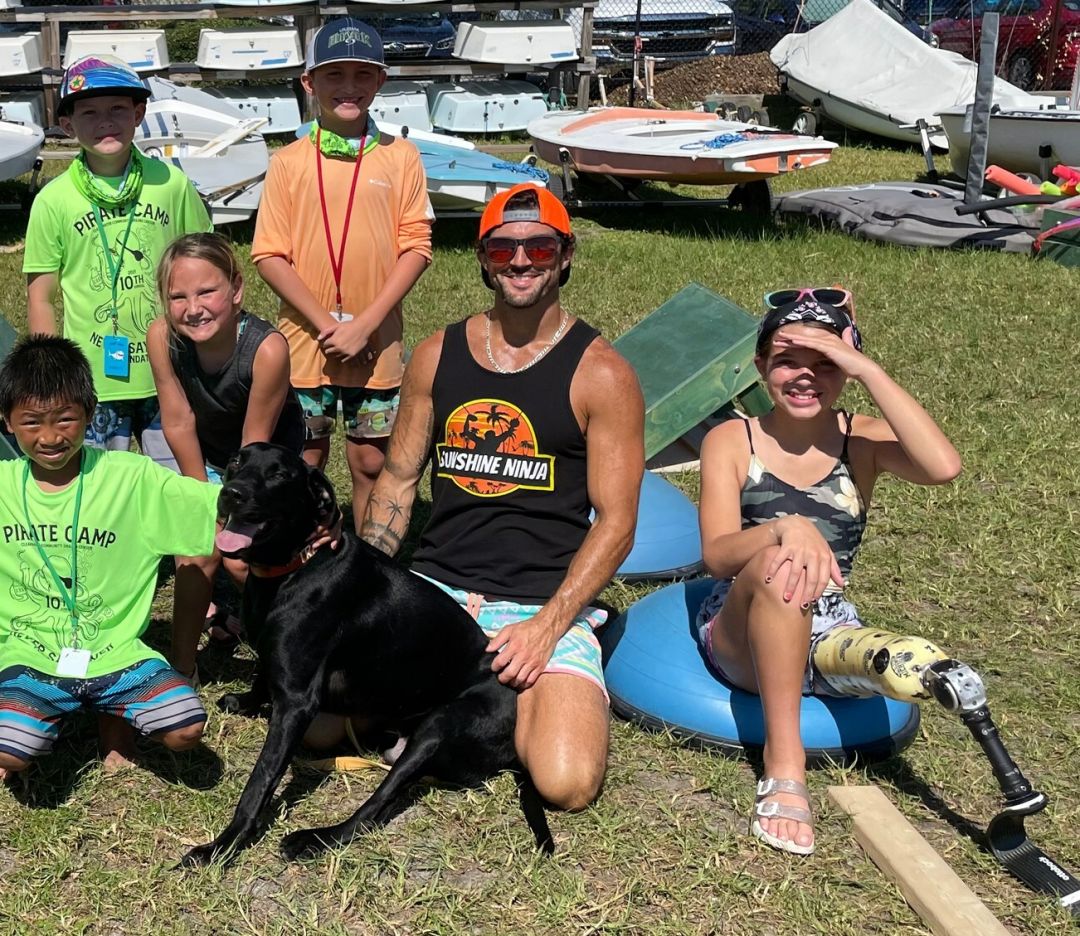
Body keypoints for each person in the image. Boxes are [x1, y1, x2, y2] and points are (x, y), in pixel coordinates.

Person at [358, 183, 645, 810]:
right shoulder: (437, 354)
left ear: (565, 256)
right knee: (323, 729)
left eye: (539, 249)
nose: (520, 262)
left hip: (541, 600)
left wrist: (548, 626)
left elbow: (618, 522)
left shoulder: (603, 373)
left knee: (566, 784)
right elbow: (399, 482)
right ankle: (478, 707)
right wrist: (364, 589)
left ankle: (480, 706)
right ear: (484, 259)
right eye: (503, 248)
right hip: (438, 587)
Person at [696, 289, 962, 855]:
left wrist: (868, 368)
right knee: (777, 566)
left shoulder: (859, 439)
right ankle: (785, 764)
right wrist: (782, 526)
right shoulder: (733, 439)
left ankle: (864, 660)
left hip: (828, 619)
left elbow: (943, 468)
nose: (805, 377)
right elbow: (718, 555)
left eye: (826, 364)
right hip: (740, 621)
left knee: (898, 658)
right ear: (761, 364)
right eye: (788, 360)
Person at [0, 336, 221, 779]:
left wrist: (300, 512)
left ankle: (111, 717)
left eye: (65, 419)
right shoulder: (4, 484)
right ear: (6, 422)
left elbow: (214, 510)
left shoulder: (131, 477)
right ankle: (38, 714)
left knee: (186, 728)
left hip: (115, 651)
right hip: (29, 651)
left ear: (91, 411)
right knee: (11, 750)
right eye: (31, 423)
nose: (50, 437)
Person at [252, 17, 433, 528]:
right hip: (305, 343)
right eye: (334, 75)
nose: (348, 87)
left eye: (361, 74)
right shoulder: (287, 162)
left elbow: (416, 247)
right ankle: (307, 557)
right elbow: (269, 254)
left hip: (376, 343)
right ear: (309, 84)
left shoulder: (403, 158)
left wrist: (364, 324)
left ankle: (367, 562)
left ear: (380, 81)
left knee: (371, 460)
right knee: (303, 460)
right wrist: (329, 325)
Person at [23, 55, 213, 467]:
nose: (105, 121)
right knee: (100, 490)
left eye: (117, 110)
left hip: (171, 371)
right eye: (89, 112)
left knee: (178, 482)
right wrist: (51, 375)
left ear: (139, 113)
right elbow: (41, 298)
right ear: (69, 125)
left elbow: (207, 266)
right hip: (92, 381)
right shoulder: (52, 201)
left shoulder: (171, 184)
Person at [147, 233, 306, 682]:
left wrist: (229, 511)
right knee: (195, 552)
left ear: (236, 290)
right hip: (207, 449)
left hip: (265, 456)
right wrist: (203, 499)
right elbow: (177, 420)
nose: (192, 307)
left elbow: (256, 447)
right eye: (177, 296)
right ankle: (182, 668)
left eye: (206, 292)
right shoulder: (162, 337)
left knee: (245, 560)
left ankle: (288, 648)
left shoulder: (268, 349)